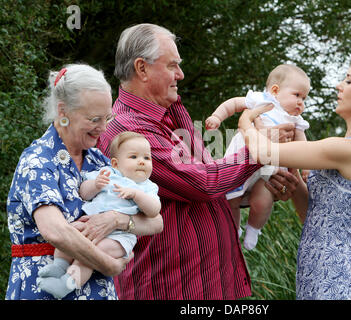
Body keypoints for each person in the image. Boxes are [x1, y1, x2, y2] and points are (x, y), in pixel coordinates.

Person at [97, 23, 298, 299]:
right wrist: (261, 151)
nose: (180, 74)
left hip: (207, 285)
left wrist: (257, 190)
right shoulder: (127, 129)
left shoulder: (171, 113)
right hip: (170, 289)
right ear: (141, 69)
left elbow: (206, 187)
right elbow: (201, 184)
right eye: (172, 66)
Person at [238, 54, 351, 300]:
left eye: (348, 80)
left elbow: (263, 152)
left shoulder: (349, 150)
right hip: (325, 278)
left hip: (336, 284)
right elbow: (317, 218)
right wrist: (298, 189)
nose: (339, 86)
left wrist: (246, 121)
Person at [6, 64, 162, 300]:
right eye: (94, 119)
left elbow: (156, 222)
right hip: (43, 289)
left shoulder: (100, 161)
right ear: (63, 111)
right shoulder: (38, 159)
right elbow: (55, 231)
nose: (103, 128)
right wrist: (107, 264)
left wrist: (117, 220)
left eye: (107, 118)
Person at [36, 131, 162, 299]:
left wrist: (137, 195)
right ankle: (59, 265)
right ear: (116, 164)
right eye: (134, 157)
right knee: (71, 231)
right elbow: (83, 192)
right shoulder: (106, 173)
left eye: (147, 158)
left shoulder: (147, 187)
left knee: (93, 254)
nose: (142, 162)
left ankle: (67, 284)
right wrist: (95, 185)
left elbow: (154, 211)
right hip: (90, 223)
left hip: (120, 238)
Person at [205, 64, 310, 250]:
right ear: (275, 90)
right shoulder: (261, 100)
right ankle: (233, 229)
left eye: (304, 98)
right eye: (297, 95)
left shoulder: (295, 120)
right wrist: (217, 116)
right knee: (232, 199)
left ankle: (254, 228)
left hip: (269, 169)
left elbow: (303, 144)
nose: (301, 102)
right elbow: (233, 104)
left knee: (263, 200)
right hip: (243, 159)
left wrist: (306, 167)